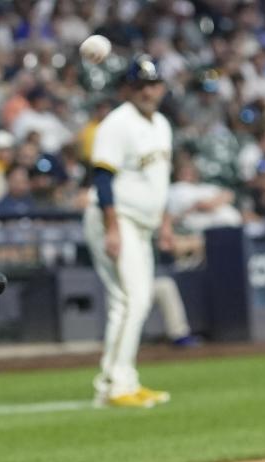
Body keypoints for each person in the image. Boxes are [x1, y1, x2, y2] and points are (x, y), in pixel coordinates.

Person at [84, 56, 174, 408]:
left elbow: (160, 182)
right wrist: (111, 228)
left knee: (133, 300)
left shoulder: (162, 124)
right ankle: (115, 383)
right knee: (132, 299)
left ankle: (122, 380)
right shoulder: (117, 123)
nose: (148, 91)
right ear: (128, 89)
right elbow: (103, 178)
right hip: (116, 218)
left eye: (153, 84)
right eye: (141, 85)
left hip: (142, 223)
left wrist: (165, 224)